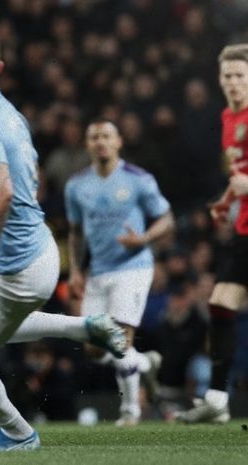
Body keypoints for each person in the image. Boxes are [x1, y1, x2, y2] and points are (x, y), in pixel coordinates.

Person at [0, 26, 123, 453]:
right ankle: (83, 328)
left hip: (13, 266)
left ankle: (19, 434)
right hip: (38, 245)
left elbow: (0, 189)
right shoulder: (11, 113)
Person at [65, 118, 174, 426]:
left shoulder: (138, 179)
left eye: (106, 136)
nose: (100, 141)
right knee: (94, 350)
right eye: (94, 136)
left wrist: (144, 239)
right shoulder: (76, 186)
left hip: (133, 267)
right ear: (87, 144)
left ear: (118, 142)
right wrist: (76, 271)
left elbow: (167, 219)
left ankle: (130, 412)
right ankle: (144, 363)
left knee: (119, 341)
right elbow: (75, 232)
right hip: (97, 272)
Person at [176, 43, 248, 423]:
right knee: (220, 304)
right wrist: (224, 200)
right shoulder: (227, 118)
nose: (234, 82)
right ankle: (218, 401)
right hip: (243, 229)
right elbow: (237, 173)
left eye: (240, 75)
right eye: (228, 76)